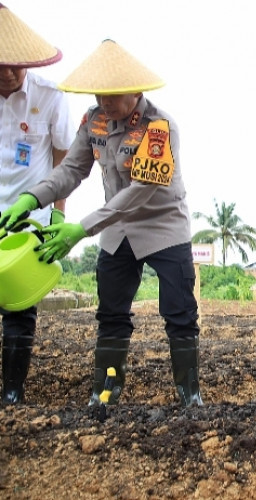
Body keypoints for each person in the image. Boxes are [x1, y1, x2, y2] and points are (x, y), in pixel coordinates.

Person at [0, 39, 203, 407]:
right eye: (99, 94)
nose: (105, 102)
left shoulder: (160, 126)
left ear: (136, 91)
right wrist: (32, 199)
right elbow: (72, 169)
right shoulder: (93, 120)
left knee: (179, 312)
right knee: (111, 312)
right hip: (117, 231)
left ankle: (190, 394)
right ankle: (105, 390)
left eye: (113, 95)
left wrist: (81, 228)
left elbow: (141, 191)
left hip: (163, 227)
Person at [0, 4, 75, 404]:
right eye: (1, 65)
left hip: (30, 219)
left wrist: (57, 213)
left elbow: (65, 158)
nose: (10, 72)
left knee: (20, 305)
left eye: (17, 64)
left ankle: (12, 391)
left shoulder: (49, 98)